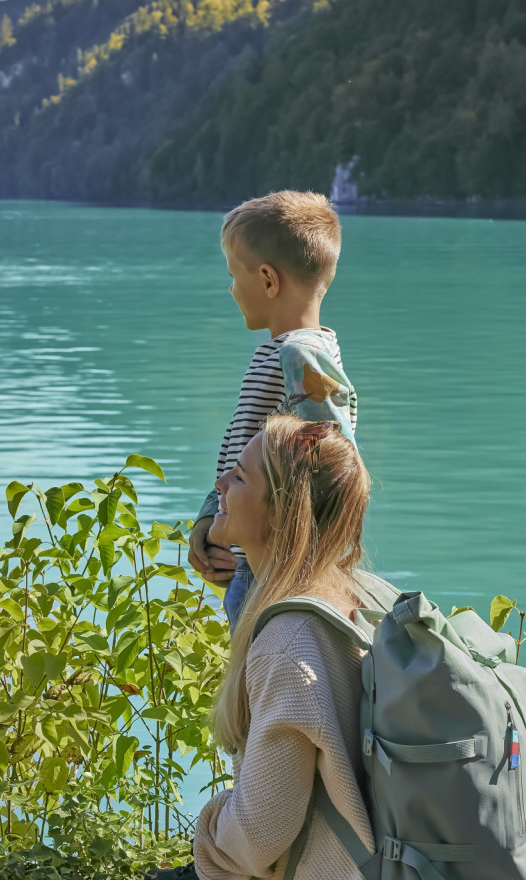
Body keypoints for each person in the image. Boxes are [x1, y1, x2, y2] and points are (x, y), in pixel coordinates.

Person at [190, 414, 381, 880]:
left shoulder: (287, 644)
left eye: (238, 476)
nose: (219, 482)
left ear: (279, 509)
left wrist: (208, 828)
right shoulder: (358, 593)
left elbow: (258, 839)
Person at [188, 190, 360, 629]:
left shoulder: (300, 356)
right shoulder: (286, 352)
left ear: (268, 279)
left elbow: (331, 466)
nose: (230, 289)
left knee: (262, 679)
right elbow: (245, 454)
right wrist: (211, 520)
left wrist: (285, 556)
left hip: (276, 571)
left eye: (233, 275)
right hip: (256, 561)